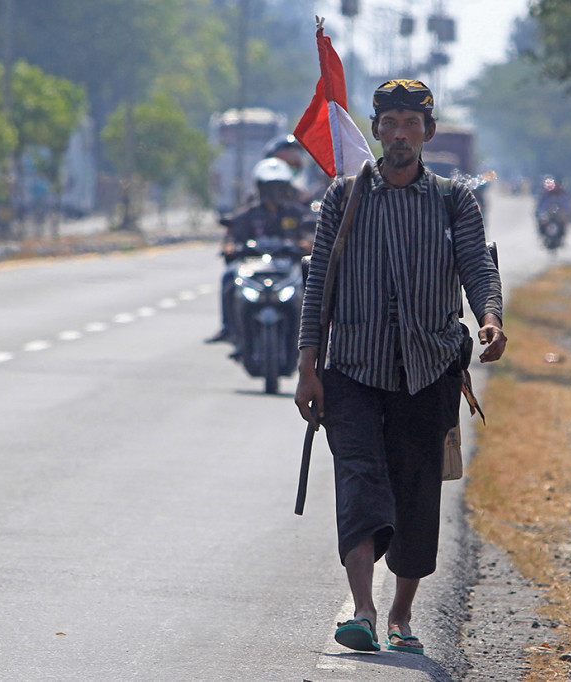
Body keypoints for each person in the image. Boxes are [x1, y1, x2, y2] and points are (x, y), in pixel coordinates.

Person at [294, 79, 506, 655]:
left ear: (428, 133)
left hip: (429, 368)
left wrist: (489, 317)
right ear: (377, 130)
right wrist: (307, 366)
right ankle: (362, 609)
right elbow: (319, 288)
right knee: (359, 481)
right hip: (355, 369)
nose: (401, 133)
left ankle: (401, 615)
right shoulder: (345, 196)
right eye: (390, 122)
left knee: (416, 491)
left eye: (413, 122)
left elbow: (477, 269)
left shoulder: (451, 199)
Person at [205, 157, 315, 343]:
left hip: (289, 267)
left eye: (278, 186)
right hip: (255, 266)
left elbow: (310, 232)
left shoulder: (296, 213)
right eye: (269, 187)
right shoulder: (249, 214)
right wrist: (229, 245)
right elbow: (233, 234)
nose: (274, 192)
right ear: (260, 188)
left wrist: (307, 242)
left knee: (313, 280)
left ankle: (314, 332)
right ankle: (228, 328)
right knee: (228, 277)